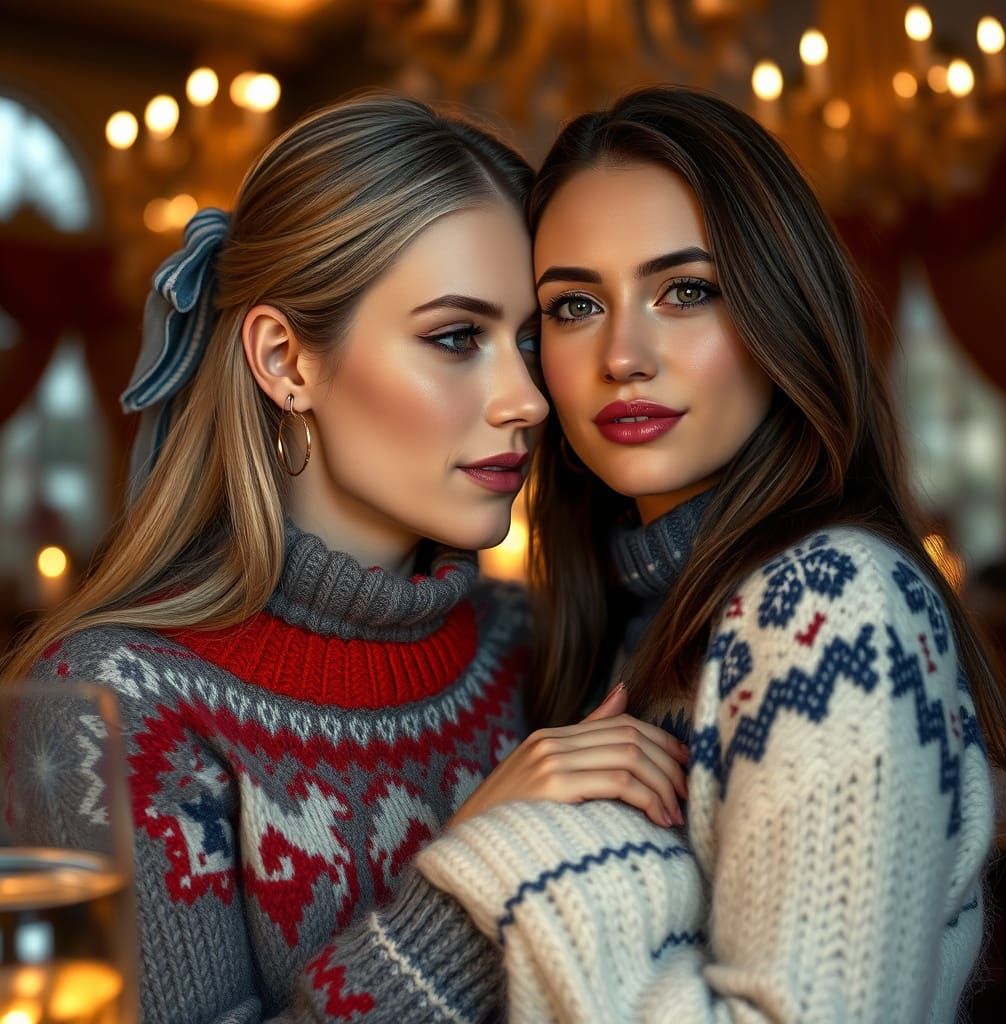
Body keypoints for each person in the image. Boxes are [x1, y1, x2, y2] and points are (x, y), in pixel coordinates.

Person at [1, 94, 687, 1023]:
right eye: (456, 337)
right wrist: (472, 883)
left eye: (530, 340)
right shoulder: (105, 709)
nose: (527, 398)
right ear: (286, 360)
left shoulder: (531, 643)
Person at [414, 86, 1006, 1022]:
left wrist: (517, 855)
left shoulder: (827, 604)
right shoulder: (626, 618)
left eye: (686, 291)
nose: (623, 354)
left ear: (782, 309)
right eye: (574, 306)